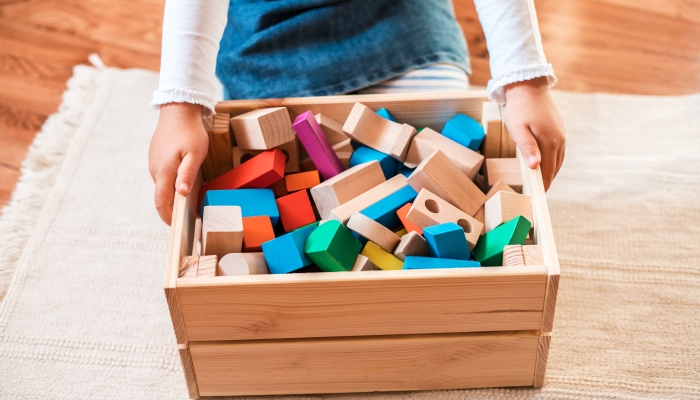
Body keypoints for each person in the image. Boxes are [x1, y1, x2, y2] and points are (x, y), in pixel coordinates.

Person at [149, 0, 566, 225]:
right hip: (270, 41)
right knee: (272, 155)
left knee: (448, 156)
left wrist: (524, 81)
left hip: (402, 27)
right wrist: (180, 107)